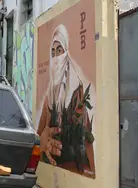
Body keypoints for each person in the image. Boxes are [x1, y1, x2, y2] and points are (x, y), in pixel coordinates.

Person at [37, 24, 96, 178]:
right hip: (54, 166)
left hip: (73, 165)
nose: (56, 57)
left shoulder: (76, 88)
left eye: (59, 51)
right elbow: (39, 133)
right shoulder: (51, 91)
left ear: (66, 52)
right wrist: (43, 138)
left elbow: (85, 137)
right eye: (53, 52)